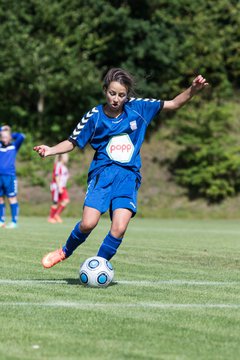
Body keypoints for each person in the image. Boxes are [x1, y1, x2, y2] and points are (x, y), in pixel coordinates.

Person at [33, 68, 208, 268]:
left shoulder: (139, 108)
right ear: (105, 90)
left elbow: (175, 103)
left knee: (119, 228)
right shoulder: (95, 116)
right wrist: (50, 150)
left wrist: (193, 89)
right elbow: (73, 141)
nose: (116, 99)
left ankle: (97, 265)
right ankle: (64, 251)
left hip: (128, 176)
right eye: (112, 93)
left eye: (121, 95)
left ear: (127, 95)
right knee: (88, 223)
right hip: (103, 174)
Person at [0, 125, 25, 229]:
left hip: (10, 177)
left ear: (10, 137)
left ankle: (14, 221)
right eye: (2, 137)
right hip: (0, 177)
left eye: (6, 137)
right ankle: (1, 220)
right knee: (0, 199)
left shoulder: (14, 146)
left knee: (12, 198)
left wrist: (9, 133)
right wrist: (1, 130)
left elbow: (22, 136)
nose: (4, 139)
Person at [48, 153, 70, 223]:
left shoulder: (64, 166)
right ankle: (51, 218)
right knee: (55, 202)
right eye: (66, 156)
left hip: (62, 186)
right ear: (62, 157)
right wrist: (59, 187)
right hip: (57, 186)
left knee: (66, 200)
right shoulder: (58, 165)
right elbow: (56, 176)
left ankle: (56, 215)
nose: (67, 158)